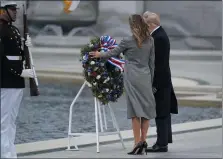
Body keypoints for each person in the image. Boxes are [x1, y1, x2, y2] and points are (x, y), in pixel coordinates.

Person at [90, 14, 156, 155]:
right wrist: (150, 82)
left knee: (134, 112)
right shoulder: (150, 41)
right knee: (145, 111)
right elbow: (152, 64)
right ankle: (143, 141)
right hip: (145, 77)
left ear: (132, 26)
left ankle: (136, 143)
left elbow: (113, 53)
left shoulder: (127, 41)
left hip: (132, 78)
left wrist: (98, 54)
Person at [0, 1, 35, 158]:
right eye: (12, 9)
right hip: (6, 80)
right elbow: (2, 58)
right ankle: (4, 153)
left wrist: (25, 47)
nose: (15, 12)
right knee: (3, 121)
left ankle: (10, 151)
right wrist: (19, 72)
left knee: (11, 120)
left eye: (16, 9)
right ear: (2, 11)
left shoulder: (13, 29)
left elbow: (17, 54)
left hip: (16, 82)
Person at [142, 11, 178, 153]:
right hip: (162, 81)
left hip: (160, 82)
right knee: (163, 112)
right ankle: (163, 142)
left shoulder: (159, 38)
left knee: (161, 113)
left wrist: (154, 85)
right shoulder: (158, 35)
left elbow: (159, 64)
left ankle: (161, 144)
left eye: (145, 25)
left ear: (150, 25)